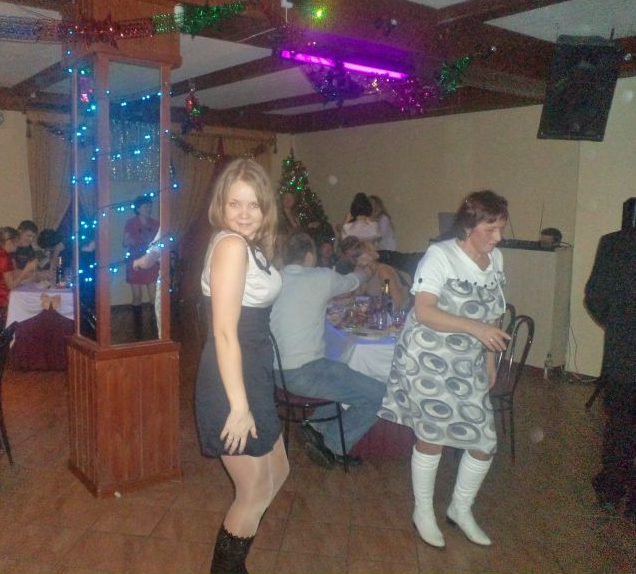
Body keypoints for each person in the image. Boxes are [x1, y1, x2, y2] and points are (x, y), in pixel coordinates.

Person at [379, 190, 512, 548]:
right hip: (428, 359)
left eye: (501, 228)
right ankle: (423, 511)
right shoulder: (440, 255)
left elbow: (493, 312)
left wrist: (488, 358)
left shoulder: (495, 259)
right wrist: (476, 329)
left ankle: (460, 508)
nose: (498, 237)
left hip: (468, 360)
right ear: (469, 226)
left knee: (484, 442)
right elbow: (424, 311)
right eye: (490, 229)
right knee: (432, 436)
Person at [194, 159, 288, 574]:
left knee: (278, 471)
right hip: (231, 377)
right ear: (222, 205)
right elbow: (224, 332)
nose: (245, 214)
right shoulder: (232, 245)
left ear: (266, 208)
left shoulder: (248, 245)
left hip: (252, 370)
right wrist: (238, 406)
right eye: (235, 204)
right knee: (253, 491)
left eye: (253, 205)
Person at [584, 176, 636, 522]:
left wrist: (618, 327)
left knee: (620, 425)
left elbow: (594, 298)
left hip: (623, 354)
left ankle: (611, 490)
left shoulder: (614, 243)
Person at [270, 232, 385, 469]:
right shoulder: (319, 276)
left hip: (276, 373)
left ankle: (316, 428)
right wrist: (366, 270)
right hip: (306, 373)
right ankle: (333, 444)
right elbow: (354, 281)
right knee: (382, 396)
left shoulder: (275, 278)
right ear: (309, 256)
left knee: (343, 371)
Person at [123, 195, 160, 339]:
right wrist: (130, 240)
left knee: (153, 296)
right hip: (135, 260)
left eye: (150, 206)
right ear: (138, 208)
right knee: (137, 296)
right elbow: (124, 243)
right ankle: (137, 328)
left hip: (151, 261)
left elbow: (160, 243)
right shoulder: (131, 223)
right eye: (146, 206)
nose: (149, 208)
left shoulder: (156, 223)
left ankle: (154, 326)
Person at [0, 226, 38, 317]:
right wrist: (25, 271)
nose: (18, 244)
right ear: (9, 242)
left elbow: (12, 274)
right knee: (31, 306)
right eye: (16, 242)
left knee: (29, 303)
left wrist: (29, 273)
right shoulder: (3, 258)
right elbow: (11, 286)